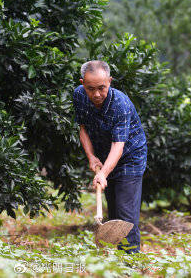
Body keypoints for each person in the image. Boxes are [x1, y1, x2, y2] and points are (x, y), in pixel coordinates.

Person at [72, 60, 147, 254]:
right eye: (90, 88)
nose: (96, 94)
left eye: (101, 88)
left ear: (110, 82)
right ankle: (119, 262)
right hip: (106, 156)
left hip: (129, 157)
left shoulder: (119, 104)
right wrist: (91, 157)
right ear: (82, 84)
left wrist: (103, 173)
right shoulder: (79, 95)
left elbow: (118, 145)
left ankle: (131, 266)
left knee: (125, 218)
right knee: (114, 214)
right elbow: (82, 128)